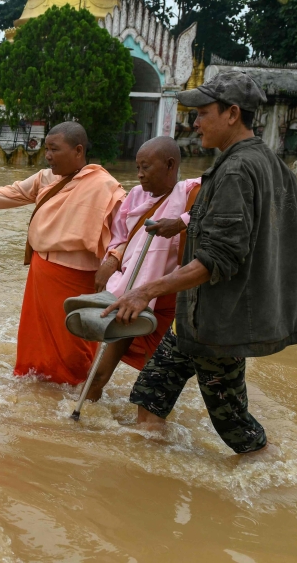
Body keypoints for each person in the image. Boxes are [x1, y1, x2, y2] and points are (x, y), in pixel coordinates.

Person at [104, 71, 297, 454]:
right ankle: (148, 486)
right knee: (149, 399)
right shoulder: (273, 165)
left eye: (203, 113)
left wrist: (146, 291)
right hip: (196, 318)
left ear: (232, 114)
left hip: (219, 326)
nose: (195, 123)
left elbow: (217, 259)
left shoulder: (236, 171)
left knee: (238, 431)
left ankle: (275, 488)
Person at [0, 122, 126, 385]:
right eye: (46, 149)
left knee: (75, 346)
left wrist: (113, 261)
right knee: (36, 341)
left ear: (78, 150)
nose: (48, 156)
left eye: (54, 149)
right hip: (42, 270)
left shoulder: (107, 187)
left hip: (81, 279)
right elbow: (8, 194)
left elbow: (126, 232)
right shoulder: (46, 179)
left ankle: (76, 392)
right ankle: (38, 390)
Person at [85, 137, 201, 401]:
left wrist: (180, 222)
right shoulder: (136, 196)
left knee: (156, 379)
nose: (139, 175)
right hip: (132, 291)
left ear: (170, 165)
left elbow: (217, 211)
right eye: (137, 167)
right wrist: (111, 261)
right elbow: (120, 236)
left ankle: (148, 433)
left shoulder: (193, 191)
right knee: (98, 374)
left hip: (170, 299)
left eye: (145, 168)